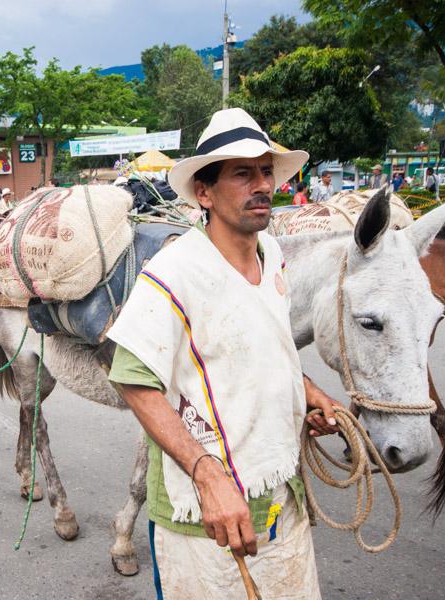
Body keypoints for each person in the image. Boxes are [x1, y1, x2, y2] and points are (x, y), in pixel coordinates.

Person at [107, 107, 341, 599]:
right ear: (205, 193)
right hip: (207, 511)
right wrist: (206, 473)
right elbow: (133, 379)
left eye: (265, 171)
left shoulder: (271, 253)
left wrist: (308, 392)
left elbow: (262, 346)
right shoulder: (172, 273)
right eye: (241, 173)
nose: (261, 185)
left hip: (281, 488)